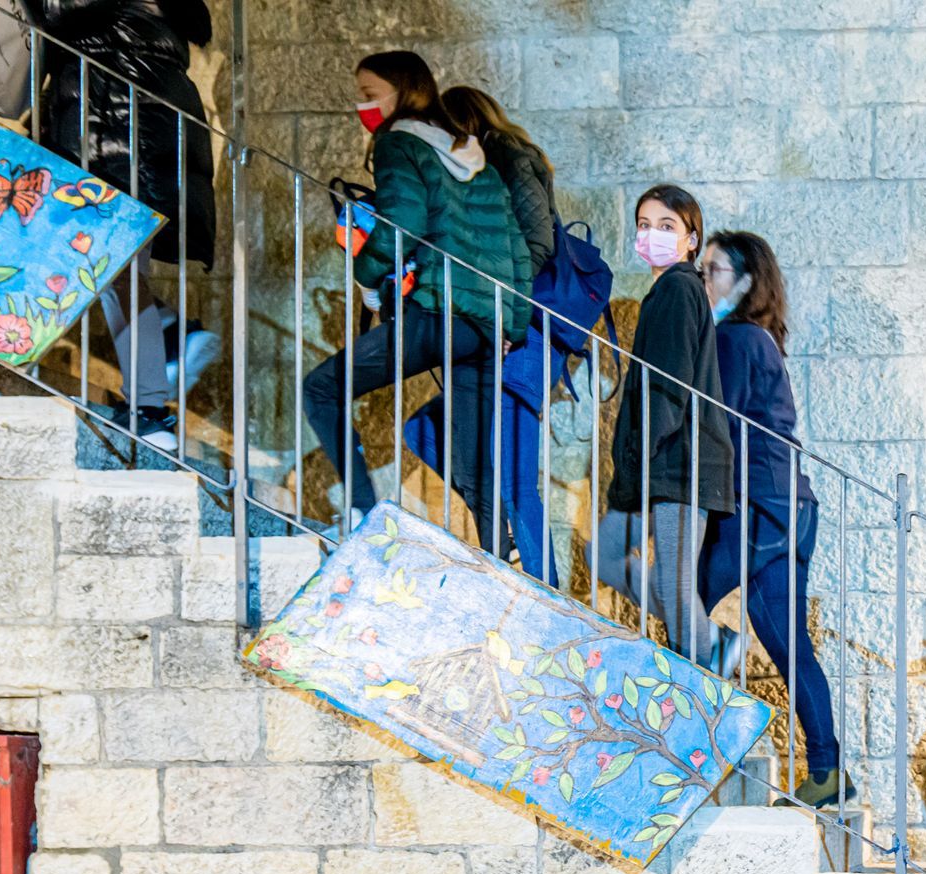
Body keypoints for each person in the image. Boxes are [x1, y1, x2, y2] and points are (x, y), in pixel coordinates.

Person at [302, 51, 531, 541]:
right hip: (485, 327)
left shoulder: (398, 144)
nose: (362, 106)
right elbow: (516, 251)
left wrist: (366, 279)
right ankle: (498, 557)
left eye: (369, 94)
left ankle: (363, 514)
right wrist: (510, 326)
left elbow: (402, 224)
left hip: (435, 313)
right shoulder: (478, 160)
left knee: (321, 388)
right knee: (474, 464)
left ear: (403, 91)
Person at [694, 230, 850, 808]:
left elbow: (717, 425)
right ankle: (827, 770)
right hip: (788, 506)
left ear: (745, 282)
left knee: (681, 597)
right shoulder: (759, 339)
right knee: (789, 644)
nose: (703, 279)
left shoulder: (734, 338)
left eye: (713, 270)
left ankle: (691, 733)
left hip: (760, 505)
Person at [32, 0, 219, 449]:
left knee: (113, 261)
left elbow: (55, 10)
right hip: (129, 121)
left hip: (114, 122)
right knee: (112, 264)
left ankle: (150, 407)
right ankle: (168, 340)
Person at [401, 85, 559, 580]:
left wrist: (506, 313)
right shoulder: (479, 169)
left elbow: (537, 244)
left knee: (515, 480)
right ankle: (500, 537)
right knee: (422, 430)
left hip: (523, 330)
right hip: (497, 328)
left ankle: (545, 593)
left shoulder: (508, 157)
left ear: (462, 122)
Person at [594, 184, 733, 665]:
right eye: (644, 224)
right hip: (664, 463)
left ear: (692, 240)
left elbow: (668, 388)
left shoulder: (677, 288)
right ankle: (708, 637)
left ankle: (704, 657)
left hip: (679, 462)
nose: (651, 233)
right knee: (606, 556)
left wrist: (638, 455)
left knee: (674, 584)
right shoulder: (667, 292)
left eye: (666, 225)